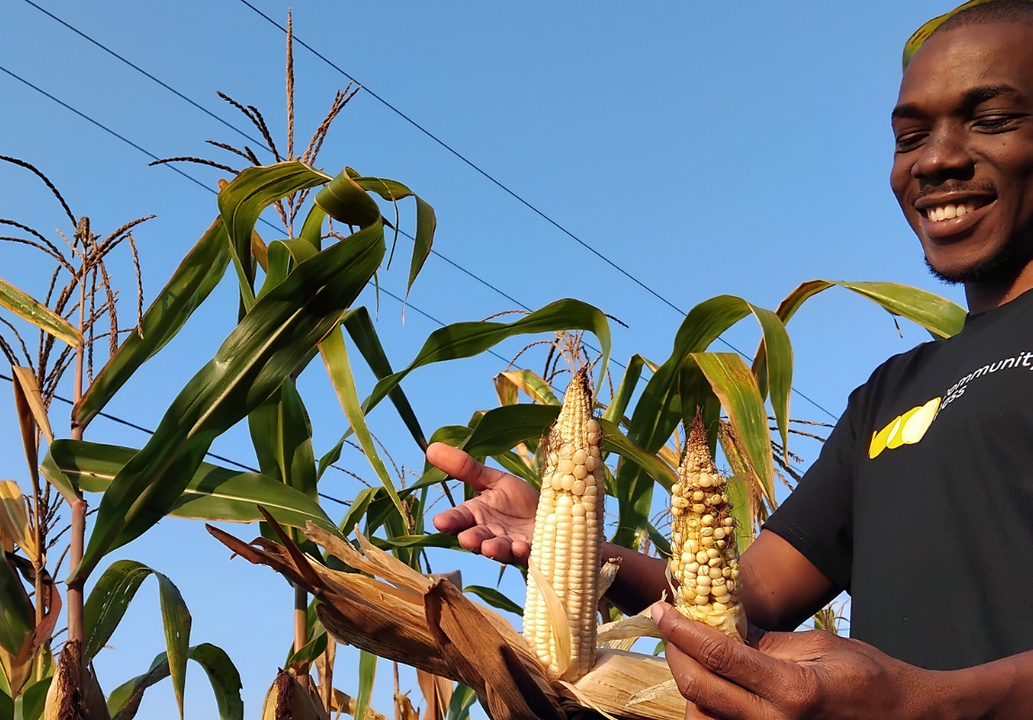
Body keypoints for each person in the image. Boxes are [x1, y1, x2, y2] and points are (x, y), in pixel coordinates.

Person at [427, 2, 1033, 717]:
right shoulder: (892, 393)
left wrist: (934, 703)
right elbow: (747, 596)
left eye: (992, 120)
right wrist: (583, 546)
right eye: (909, 136)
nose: (935, 159)